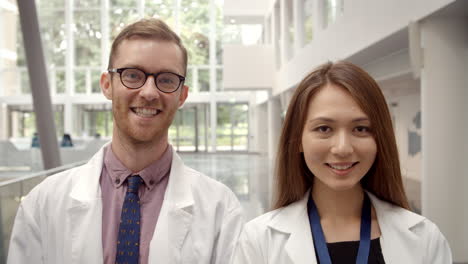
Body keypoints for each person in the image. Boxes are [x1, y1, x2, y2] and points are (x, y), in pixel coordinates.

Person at [8, 18, 243, 264]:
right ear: (107, 85)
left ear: (182, 95)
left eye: (166, 80)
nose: (150, 92)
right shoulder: (43, 202)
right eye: (132, 75)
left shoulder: (220, 209)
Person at [232, 61, 452, 263]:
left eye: (361, 129)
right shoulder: (258, 241)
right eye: (324, 129)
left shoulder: (425, 238)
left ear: (380, 139)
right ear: (298, 139)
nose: (343, 148)